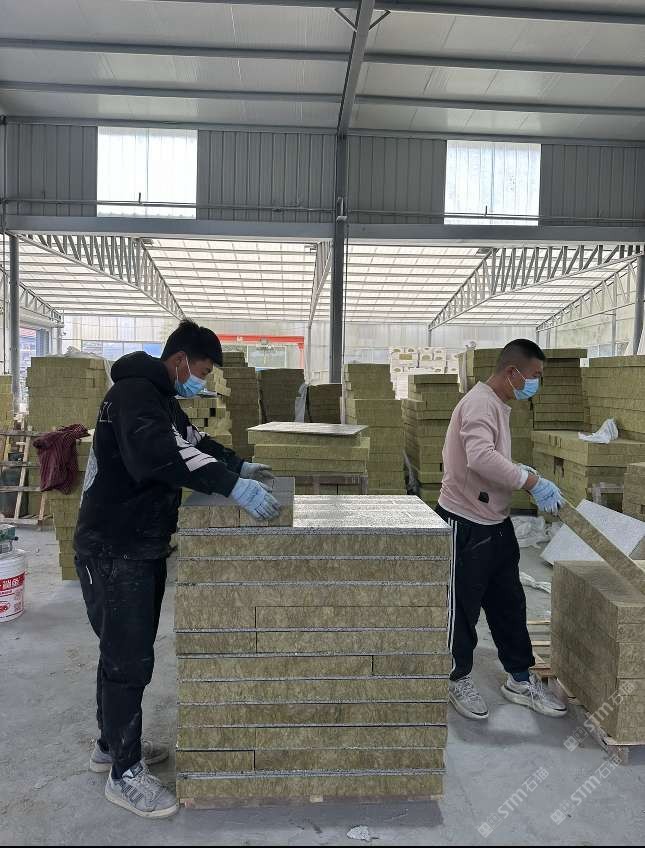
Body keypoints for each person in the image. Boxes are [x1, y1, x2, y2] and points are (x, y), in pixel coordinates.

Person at [74, 320, 279, 818]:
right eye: (202, 372)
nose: (201, 382)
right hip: (114, 548)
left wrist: (237, 466)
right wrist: (231, 487)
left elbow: (193, 441)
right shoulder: (133, 396)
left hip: (138, 545)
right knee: (127, 660)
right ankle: (124, 775)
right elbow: (159, 455)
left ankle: (111, 746)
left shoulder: (160, 400)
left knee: (123, 653)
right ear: (181, 359)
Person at [436, 339, 567, 721]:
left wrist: (522, 471)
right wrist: (530, 481)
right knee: (462, 608)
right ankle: (456, 676)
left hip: (494, 521)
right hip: (466, 522)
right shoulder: (479, 404)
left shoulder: (496, 404)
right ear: (512, 372)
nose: (536, 383)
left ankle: (519, 678)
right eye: (534, 375)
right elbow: (480, 457)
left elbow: (490, 455)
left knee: (509, 603)